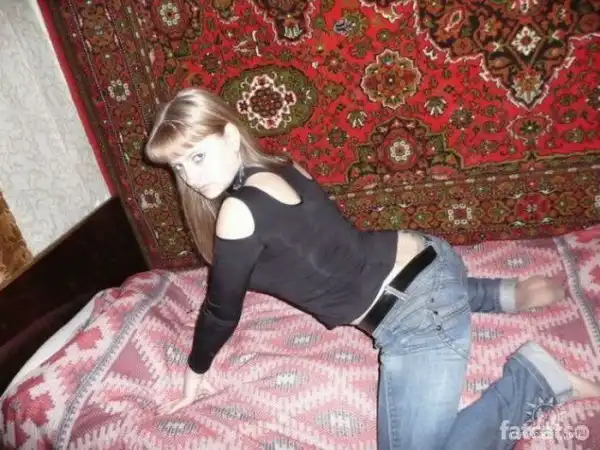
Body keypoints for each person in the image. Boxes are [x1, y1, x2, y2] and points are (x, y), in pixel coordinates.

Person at [145, 87, 599, 449]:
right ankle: (500, 294)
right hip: (429, 256)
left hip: (416, 313)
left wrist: (193, 376)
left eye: (197, 156)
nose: (192, 177)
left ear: (229, 135)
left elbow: (221, 311)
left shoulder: (237, 212)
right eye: (179, 167)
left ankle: (537, 382)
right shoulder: (283, 165)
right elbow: (326, 253)